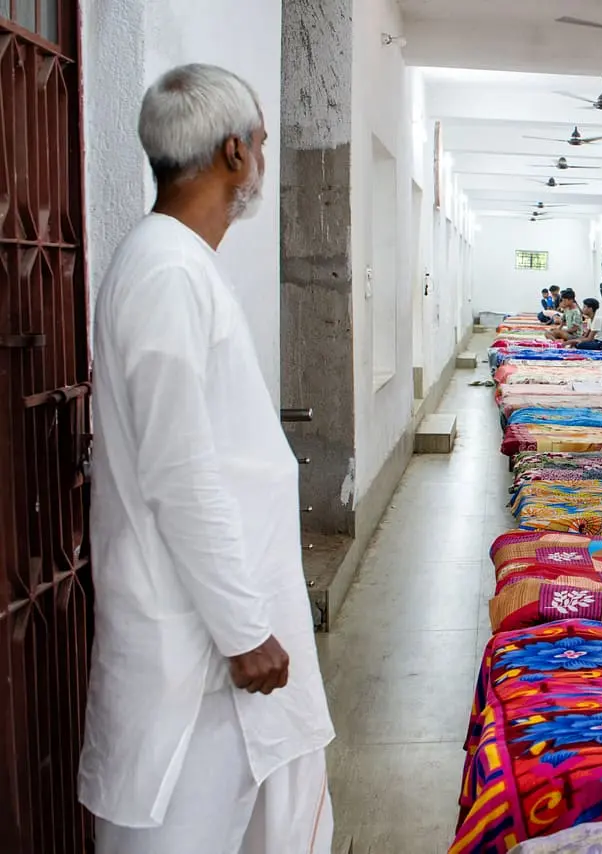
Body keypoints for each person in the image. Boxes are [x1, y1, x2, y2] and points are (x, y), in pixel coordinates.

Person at [80, 64, 334, 853]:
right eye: (261, 142)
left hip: (227, 622)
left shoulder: (181, 263)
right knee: (185, 829)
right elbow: (180, 471)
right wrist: (242, 630)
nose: (260, 159)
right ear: (234, 152)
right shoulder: (166, 271)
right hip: (197, 643)